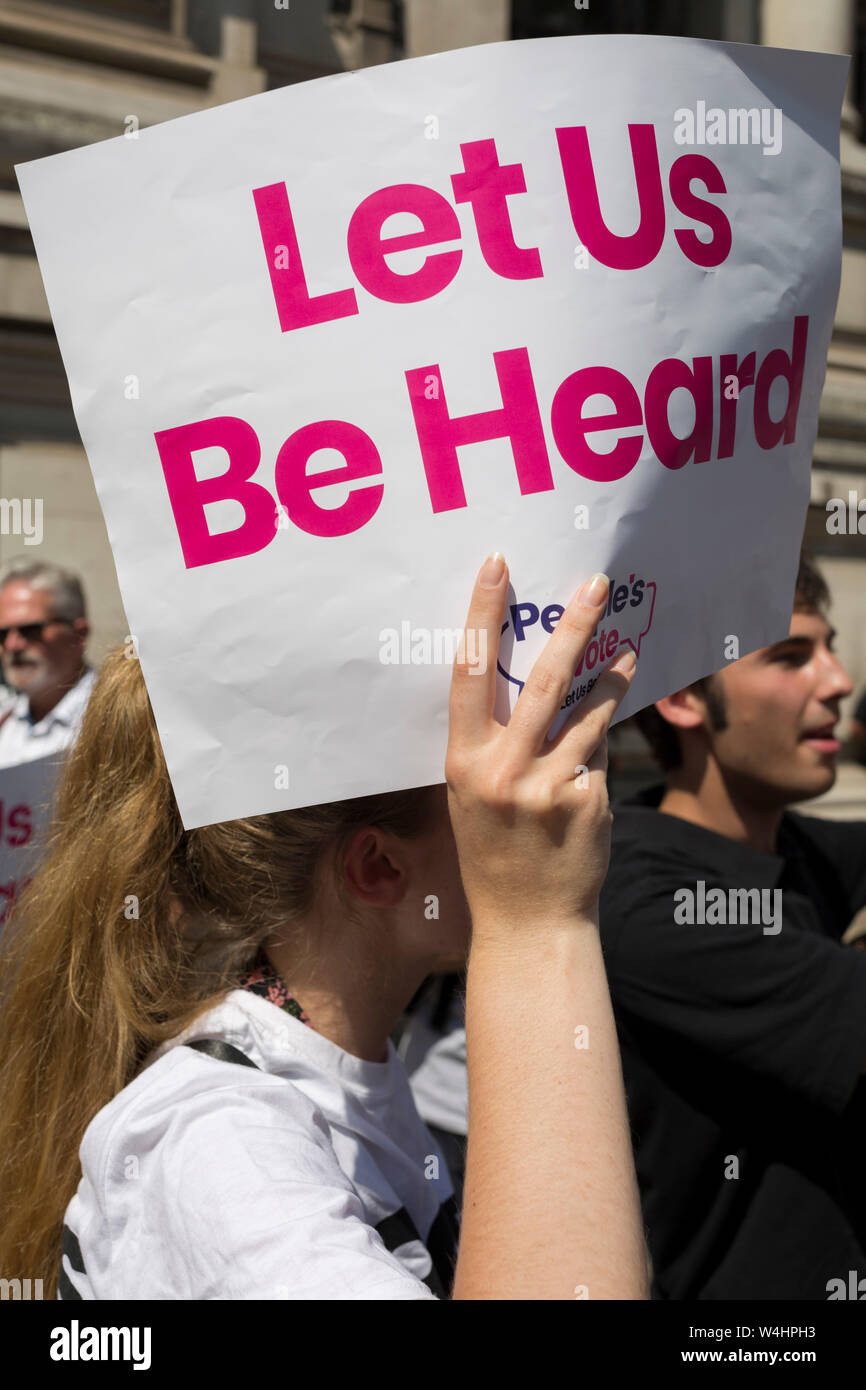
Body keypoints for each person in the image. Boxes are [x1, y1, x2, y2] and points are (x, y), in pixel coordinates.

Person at [0, 557, 649, 1300]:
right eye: (483, 785)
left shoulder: (340, 1060)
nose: (566, 799)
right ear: (377, 869)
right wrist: (541, 924)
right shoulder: (219, 1145)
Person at [598, 549, 866, 1300]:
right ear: (684, 698)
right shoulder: (642, 902)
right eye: (790, 658)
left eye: (831, 648)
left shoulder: (800, 844)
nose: (838, 683)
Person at [0, 560, 94, 768]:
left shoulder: (122, 716)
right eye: (3, 634)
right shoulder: (5, 723)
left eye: (30, 631)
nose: (13, 645)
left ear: (79, 635)